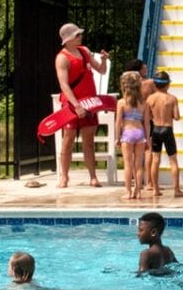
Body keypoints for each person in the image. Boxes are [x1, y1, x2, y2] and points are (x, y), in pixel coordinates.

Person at [54, 21, 109, 189]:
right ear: (68, 38)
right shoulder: (62, 58)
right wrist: (76, 105)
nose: (80, 36)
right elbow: (64, 85)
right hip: (72, 104)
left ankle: (93, 176)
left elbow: (102, 70)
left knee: (89, 141)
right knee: (68, 139)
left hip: (89, 103)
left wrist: (104, 60)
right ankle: (64, 177)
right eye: (77, 35)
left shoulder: (84, 51)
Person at [145, 72, 183, 200]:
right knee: (173, 160)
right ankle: (177, 189)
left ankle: (155, 189)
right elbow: (177, 117)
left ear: (155, 85)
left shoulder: (150, 99)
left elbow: (147, 117)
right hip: (167, 129)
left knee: (155, 160)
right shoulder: (172, 98)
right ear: (168, 84)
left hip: (156, 129)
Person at [116, 70, 148, 202]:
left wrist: (117, 138)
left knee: (128, 164)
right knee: (138, 165)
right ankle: (138, 191)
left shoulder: (122, 102)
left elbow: (118, 122)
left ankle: (128, 192)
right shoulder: (144, 102)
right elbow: (146, 123)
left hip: (127, 133)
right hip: (140, 133)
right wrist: (147, 139)